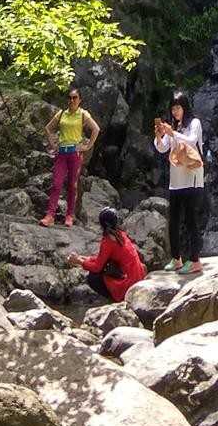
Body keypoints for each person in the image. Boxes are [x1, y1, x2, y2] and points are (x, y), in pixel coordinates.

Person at [154, 89, 204, 274]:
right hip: (176, 180)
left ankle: (195, 260)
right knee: (174, 220)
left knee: (191, 220)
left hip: (192, 178)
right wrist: (160, 135)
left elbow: (191, 141)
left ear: (185, 107)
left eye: (178, 108)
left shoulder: (194, 123)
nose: (175, 112)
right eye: (173, 108)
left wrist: (172, 133)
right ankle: (176, 258)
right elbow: (162, 148)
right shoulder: (173, 127)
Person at [41, 83, 99, 228]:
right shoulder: (61, 114)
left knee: (72, 185)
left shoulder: (83, 114)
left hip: (75, 153)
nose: (72, 100)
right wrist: (54, 144)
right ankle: (50, 215)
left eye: (75, 98)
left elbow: (96, 129)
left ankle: (69, 215)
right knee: (56, 184)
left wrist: (88, 146)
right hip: (62, 153)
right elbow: (48, 128)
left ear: (80, 100)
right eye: (70, 98)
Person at [66, 206, 147, 301]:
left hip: (129, 284)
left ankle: (117, 299)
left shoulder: (108, 241)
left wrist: (80, 261)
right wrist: (82, 258)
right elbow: (102, 259)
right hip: (138, 277)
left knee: (93, 277)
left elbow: (97, 267)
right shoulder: (121, 234)